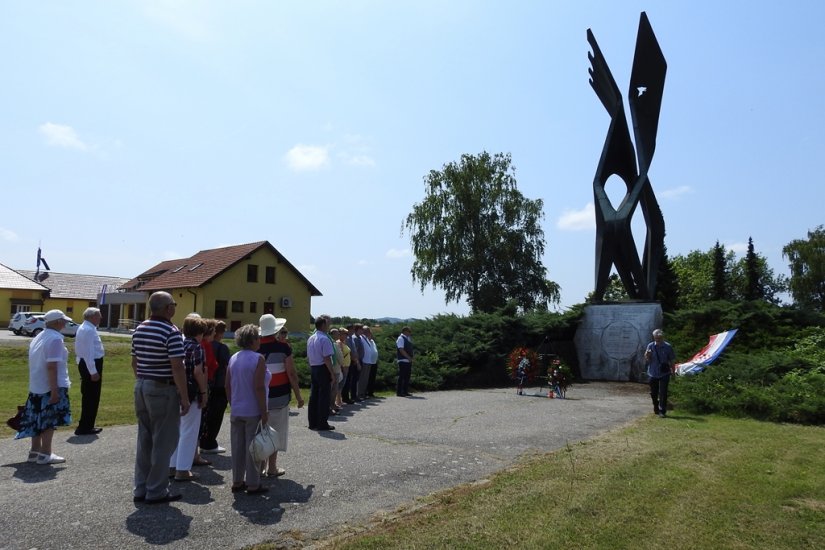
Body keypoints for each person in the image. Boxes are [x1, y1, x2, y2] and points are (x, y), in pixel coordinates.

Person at [132, 292, 189, 504]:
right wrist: (184, 396)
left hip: (142, 385)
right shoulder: (171, 331)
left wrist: (143, 380)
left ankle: (141, 487)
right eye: (173, 304)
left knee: (144, 440)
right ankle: (156, 490)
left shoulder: (140, 328)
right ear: (167, 309)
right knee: (163, 441)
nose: (174, 307)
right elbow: (177, 366)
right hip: (162, 388)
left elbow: (134, 362)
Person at [15, 309, 73, 465]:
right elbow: (52, 366)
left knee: (37, 418)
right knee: (49, 420)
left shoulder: (38, 337)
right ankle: (46, 453)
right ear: (58, 322)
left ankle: (35, 451)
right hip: (50, 385)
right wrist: (55, 391)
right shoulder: (55, 339)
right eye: (64, 321)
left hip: (36, 385)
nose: (66, 323)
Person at [226, 324, 270, 494]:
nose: (260, 340)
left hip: (237, 409)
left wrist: (233, 402)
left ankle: (237, 481)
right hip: (253, 410)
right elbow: (259, 386)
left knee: (237, 447)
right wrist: (264, 411)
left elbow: (227, 385)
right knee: (254, 448)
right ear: (252, 340)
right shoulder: (258, 358)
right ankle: (253, 483)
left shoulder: (234, 357)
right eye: (258, 337)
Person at [258, 315, 304, 478]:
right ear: (276, 330)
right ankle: (272, 467)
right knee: (275, 432)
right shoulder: (284, 348)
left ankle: (260, 467)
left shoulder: (254, 347)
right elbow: (291, 373)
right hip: (280, 396)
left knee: (260, 432)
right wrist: (298, 396)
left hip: (260, 397)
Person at [169, 316, 209, 481]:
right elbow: (198, 372)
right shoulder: (197, 347)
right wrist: (204, 392)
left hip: (174, 390)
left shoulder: (179, 344)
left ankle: (171, 466)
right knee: (189, 431)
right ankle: (183, 469)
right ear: (199, 332)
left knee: (176, 430)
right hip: (191, 392)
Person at [200, 320, 230, 454]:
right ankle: (210, 442)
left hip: (207, 384)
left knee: (205, 414)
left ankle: (202, 439)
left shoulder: (203, 344)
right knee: (216, 415)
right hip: (219, 384)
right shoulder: (222, 348)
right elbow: (226, 366)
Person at [74, 307, 105, 436]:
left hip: (87, 363)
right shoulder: (88, 330)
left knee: (90, 396)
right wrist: (93, 371)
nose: (101, 318)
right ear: (92, 317)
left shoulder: (87, 328)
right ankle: (85, 427)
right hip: (91, 364)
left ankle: (87, 425)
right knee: (91, 397)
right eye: (99, 316)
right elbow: (88, 352)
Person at [307, 316, 335, 431]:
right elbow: (327, 358)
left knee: (314, 396)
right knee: (324, 396)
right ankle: (322, 423)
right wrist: (332, 373)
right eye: (327, 324)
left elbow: (308, 356)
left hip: (314, 367)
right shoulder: (324, 338)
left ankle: (312, 422)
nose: (328, 326)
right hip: (322, 368)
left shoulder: (311, 338)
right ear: (323, 325)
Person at [644, 329, 675, 418]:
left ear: (662, 337)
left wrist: (673, 372)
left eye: (660, 338)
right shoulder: (650, 345)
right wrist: (647, 355)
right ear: (654, 337)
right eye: (656, 338)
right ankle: (655, 405)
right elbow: (647, 359)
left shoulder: (668, 347)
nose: (658, 340)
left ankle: (662, 410)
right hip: (653, 372)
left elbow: (672, 360)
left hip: (664, 373)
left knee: (663, 392)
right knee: (653, 392)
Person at [396, 326, 414, 397]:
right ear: (405, 331)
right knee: (402, 376)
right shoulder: (401, 338)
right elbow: (401, 349)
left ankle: (405, 391)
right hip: (403, 360)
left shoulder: (407, 338)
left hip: (408, 360)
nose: (410, 333)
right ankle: (399, 392)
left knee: (407, 376)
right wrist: (408, 357)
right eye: (409, 331)